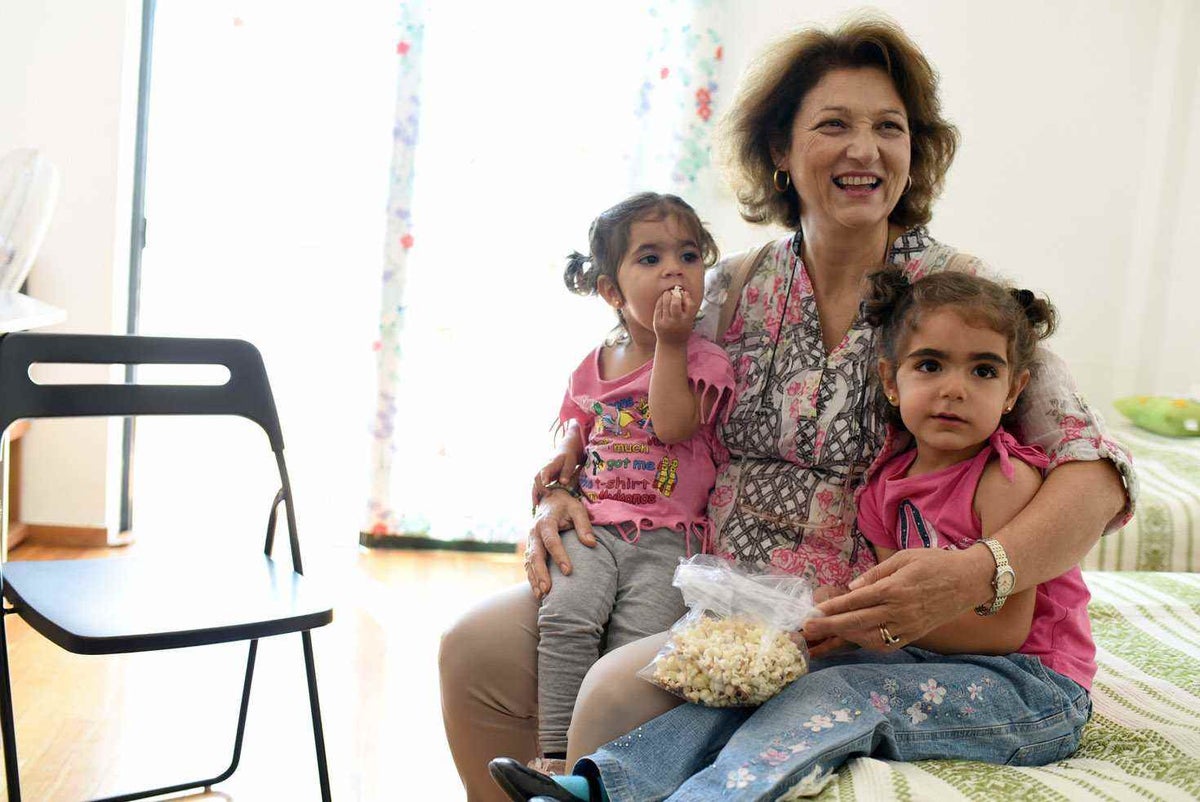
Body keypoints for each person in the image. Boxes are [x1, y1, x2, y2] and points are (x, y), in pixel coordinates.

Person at [441, 14, 1135, 802]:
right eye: (833, 125)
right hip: (694, 570)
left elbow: (1096, 474)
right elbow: (617, 386)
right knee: (473, 650)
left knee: (612, 695)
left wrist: (974, 573)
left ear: (916, 150)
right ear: (779, 150)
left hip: (837, 618)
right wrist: (563, 479)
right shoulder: (728, 287)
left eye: (889, 128)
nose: (864, 150)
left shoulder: (957, 296)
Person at [485, 263, 1096, 802]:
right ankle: (596, 784)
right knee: (764, 693)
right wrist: (849, 624)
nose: (954, 388)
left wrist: (868, 626)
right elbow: (887, 603)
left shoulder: (1005, 480)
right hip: (926, 658)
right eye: (930, 366)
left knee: (831, 701)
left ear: (1014, 389)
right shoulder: (885, 484)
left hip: (1030, 688)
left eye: (984, 371)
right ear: (890, 382)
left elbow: (1006, 631)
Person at [527, 192, 735, 774]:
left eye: (689, 255)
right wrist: (565, 453)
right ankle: (552, 761)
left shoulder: (701, 358)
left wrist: (670, 343)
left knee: (631, 650)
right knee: (565, 619)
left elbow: (672, 425)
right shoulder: (597, 359)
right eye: (650, 258)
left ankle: (602, 769)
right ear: (612, 292)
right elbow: (580, 417)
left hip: (668, 540)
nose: (674, 268)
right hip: (593, 526)